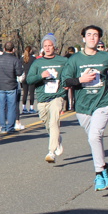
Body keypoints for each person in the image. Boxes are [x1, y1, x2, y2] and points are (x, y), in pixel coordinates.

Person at [61, 25, 108, 190]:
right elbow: (65, 81)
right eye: (89, 35)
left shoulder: (106, 57)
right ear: (84, 38)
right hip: (82, 105)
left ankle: (99, 173)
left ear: (99, 38)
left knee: (94, 137)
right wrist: (80, 80)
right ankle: (104, 166)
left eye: (95, 35)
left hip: (103, 101)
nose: (92, 38)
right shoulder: (75, 59)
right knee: (95, 139)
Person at [26, 34, 68, 163]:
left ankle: (51, 152)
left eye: (50, 45)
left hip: (57, 96)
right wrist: (41, 76)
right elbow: (29, 80)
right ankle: (57, 141)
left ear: (54, 47)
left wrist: (67, 83)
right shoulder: (38, 63)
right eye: (45, 46)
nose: (48, 48)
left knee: (54, 122)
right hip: (42, 98)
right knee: (47, 123)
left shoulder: (63, 61)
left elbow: (69, 74)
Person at [0, 40, 24, 133]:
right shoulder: (15, 60)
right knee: (11, 107)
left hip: (0, 85)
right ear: (13, 50)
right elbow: (19, 73)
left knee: (2, 107)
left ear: (4, 49)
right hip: (11, 85)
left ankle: (3, 127)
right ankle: (10, 127)